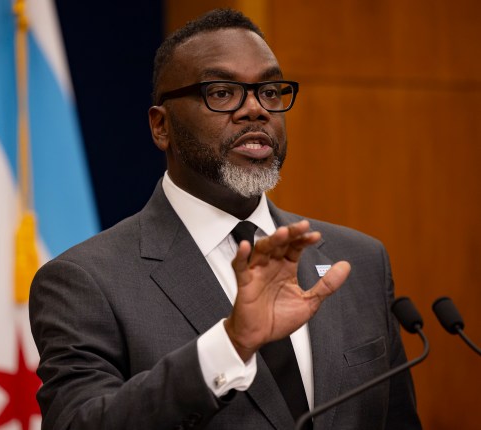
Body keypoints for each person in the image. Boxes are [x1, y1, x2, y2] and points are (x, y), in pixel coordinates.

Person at [29, 9, 422, 430]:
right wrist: (230, 344)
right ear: (161, 127)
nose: (255, 110)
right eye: (221, 92)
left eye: (270, 91)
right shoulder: (86, 281)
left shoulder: (358, 261)